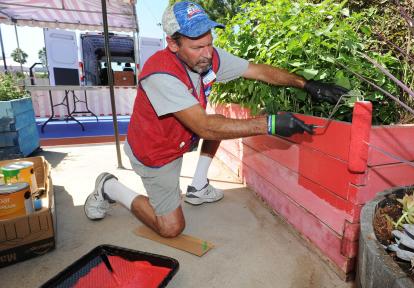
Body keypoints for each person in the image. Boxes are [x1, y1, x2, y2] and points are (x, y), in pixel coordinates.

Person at [84, 1, 348, 238]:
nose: (208, 53)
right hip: (155, 153)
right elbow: (204, 127)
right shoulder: (160, 75)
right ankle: (110, 187)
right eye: (198, 46)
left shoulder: (208, 58)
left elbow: (256, 71)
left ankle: (198, 185)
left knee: (221, 122)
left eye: (209, 42)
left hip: (183, 138)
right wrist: (270, 123)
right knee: (171, 228)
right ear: (173, 44)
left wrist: (306, 84)